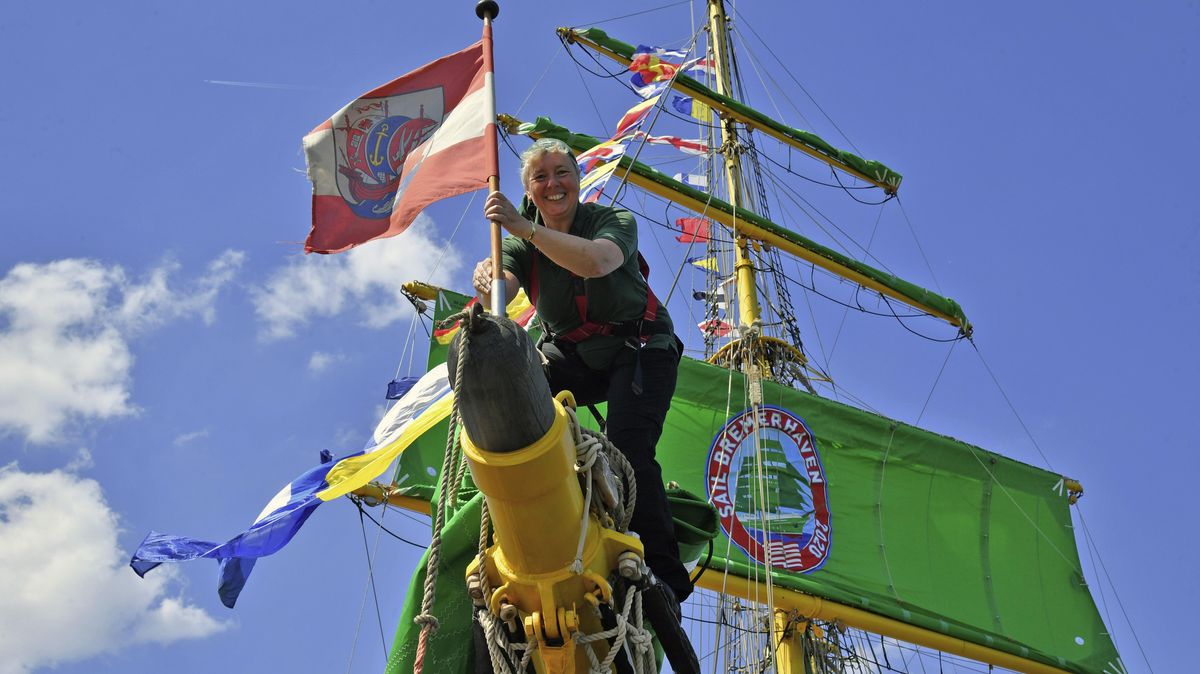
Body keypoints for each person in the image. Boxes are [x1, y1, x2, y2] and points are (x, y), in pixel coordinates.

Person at [472, 138, 692, 608]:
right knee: (512, 409)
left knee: (631, 449)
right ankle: (526, 540)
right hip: (574, 358)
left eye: (562, 173)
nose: (553, 184)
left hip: (640, 348)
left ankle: (667, 580)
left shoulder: (613, 221)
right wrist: (491, 278)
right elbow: (506, 285)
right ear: (529, 190)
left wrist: (524, 228)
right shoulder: (517, 245)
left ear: (577, 179)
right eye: (540, 177)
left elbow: (597, 262)